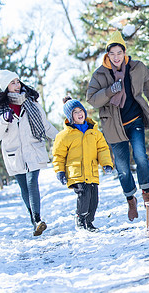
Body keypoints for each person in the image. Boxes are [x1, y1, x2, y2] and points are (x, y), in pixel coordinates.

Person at [86, 30, 149, 222]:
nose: (116, 57)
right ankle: (130, 199)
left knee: (141, 157)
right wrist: (109, 91)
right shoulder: (100, 74)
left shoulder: (136, 67)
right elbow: (92, 99)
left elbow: (148, 81)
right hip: (113, 126)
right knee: (123, 168)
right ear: (107, 55)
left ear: (124, 53)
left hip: (134, 119)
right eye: (112, 54)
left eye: (119, 53)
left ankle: (145, 192)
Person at [0, 70, 58, 236]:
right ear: (5, 87)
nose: (17, 86)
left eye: (18, 82)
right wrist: (4, 120)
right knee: (24, 188)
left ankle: (38, 219)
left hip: (33, 150)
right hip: (13, 154)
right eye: (12, 83)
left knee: (32, 183)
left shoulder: (31, 103)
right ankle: (34, 221)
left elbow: (45, 126)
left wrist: (62, 138)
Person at [52, 97, 113, 232]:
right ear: (70, 116)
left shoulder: (94, 132)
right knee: (83, 196)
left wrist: (106, 164)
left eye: (81, 110)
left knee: (94, 200)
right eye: (75, 112)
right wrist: (59, 171)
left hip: (91, 171)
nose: (80, 114)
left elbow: (102, 149)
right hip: (76, 172)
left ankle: (89, 222)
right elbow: (58, 155)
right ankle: (80, 219)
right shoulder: (64, 135)